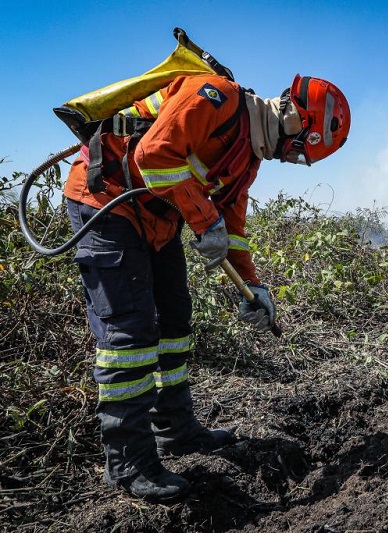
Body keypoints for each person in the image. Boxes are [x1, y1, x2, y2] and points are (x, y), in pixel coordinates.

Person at [63, 72, 350, 502]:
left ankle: (175, 430)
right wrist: (204, 219)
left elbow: (232, 232)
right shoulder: (216, 96)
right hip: (106, 201)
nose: (291, 160)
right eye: (298, 150)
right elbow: (153, 155)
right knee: (130, 335)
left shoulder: (247, 159)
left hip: (157, 219)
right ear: (295, 118)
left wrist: (253, 287)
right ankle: (128, 462)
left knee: (175, 323)